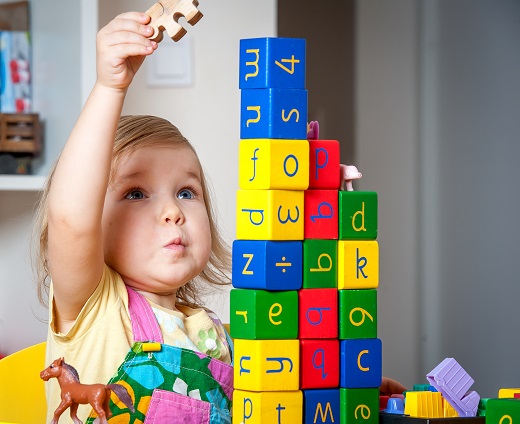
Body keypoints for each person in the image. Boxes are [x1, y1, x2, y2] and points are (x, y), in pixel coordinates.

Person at [34, 10, 405, 424]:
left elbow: (277, 387)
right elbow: (70, 217)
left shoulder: (215, 333)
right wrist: (109, 86)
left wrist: (346, 385)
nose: (173, 211)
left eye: (187, 192)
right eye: (135, 193)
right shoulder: (93, 305)